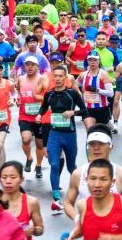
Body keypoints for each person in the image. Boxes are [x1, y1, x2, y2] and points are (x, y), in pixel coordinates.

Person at [64, 124, 122, 221]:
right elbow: (68, 202)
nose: (96, 148)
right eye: (92, 144)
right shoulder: (78, 174)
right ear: (87, 147)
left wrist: (120, 216)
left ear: (111, 147)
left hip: (116, 229)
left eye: (101, 144)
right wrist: (77, 219)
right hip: (89, 228)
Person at [36, 65, 87, 214]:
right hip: (55, 134)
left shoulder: (72, 93)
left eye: (60, 76)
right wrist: (39, 115)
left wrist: (73, 113)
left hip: (69, 134)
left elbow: (85, 110)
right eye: (55, 76)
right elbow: (44, 107)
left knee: (71, 167)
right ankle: (57, 199)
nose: (57, 78)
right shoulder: (49, 94)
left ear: (65, 77)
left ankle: (83, 191)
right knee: (54, 164)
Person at [0, 162, 44, 240]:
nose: (8, 181)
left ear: (21, 179)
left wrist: (34, 230)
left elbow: (40, 228)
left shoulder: (31, 202)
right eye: (4, 177)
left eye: (13, 177)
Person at [16, 56, 48, 178]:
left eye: (32, 65)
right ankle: (29, 158)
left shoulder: (42, 79)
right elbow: (18, 92)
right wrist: (18, 99)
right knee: (26, 139)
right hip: (24, 115)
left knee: (39, 144)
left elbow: (47, 95)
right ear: (24, 66)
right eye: (27, 65)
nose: (30, 67)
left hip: (39, 115)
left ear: (37, 67)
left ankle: (38, 166)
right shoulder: (20, 79)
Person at [77, 51, 114, 129]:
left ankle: (108, 124)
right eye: (90, 60)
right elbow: (75, 85)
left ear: (99, 61)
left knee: (101, 132)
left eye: (95, 60)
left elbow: (111, 93)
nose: (92, 62)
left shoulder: (103, 74)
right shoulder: (83, 75)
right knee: (90, 131)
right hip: (87, 108)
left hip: (101, 108)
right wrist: (80, 91)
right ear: (87, 61)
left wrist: (97, 90)